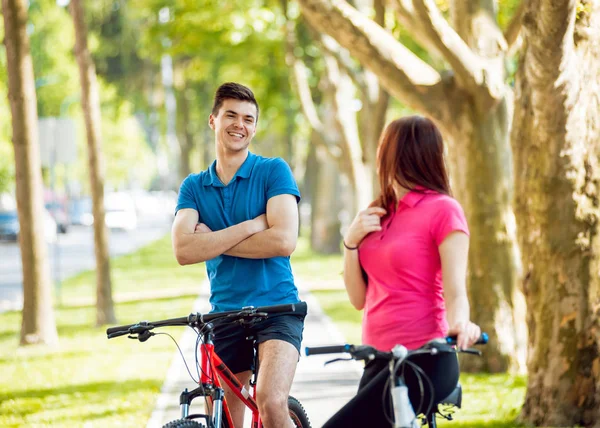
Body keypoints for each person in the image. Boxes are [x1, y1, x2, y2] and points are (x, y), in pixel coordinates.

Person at [324, 115, 481, 427]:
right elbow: (358, 299)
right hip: (378, 359)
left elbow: (455, 291)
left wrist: (461, 324)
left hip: (425, 358)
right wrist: (350, 242)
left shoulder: (444, 210)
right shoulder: (376, 213)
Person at [171, 82, 305, 428]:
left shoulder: (273, 171)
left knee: (272, 402)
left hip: (278, 309)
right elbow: (184, 249)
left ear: (254, 128)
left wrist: (212, 240)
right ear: (213, 120)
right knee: (229, 418)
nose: (239, 125)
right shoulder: (194, 187)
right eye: (231, 115)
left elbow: (283, 241)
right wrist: (250, 226)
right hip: (226, 314)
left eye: (248, 118)